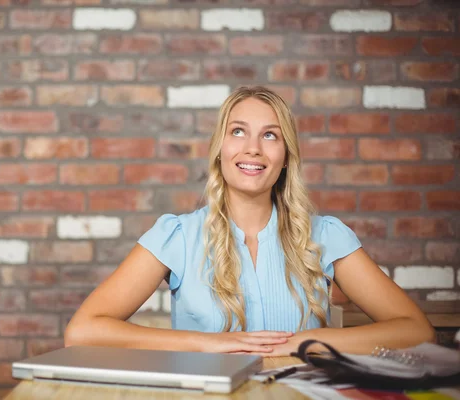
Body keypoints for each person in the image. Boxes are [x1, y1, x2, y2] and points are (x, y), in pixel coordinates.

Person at [64, 85, 435, 356]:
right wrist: (211, 345)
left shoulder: (326, 236)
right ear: (221, 149)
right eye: (238, 131)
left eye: (270, 135)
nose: (252, 148)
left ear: (286, 156)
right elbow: (82, 331)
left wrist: (296, 344)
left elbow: (417, 331)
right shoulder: (177, 236)